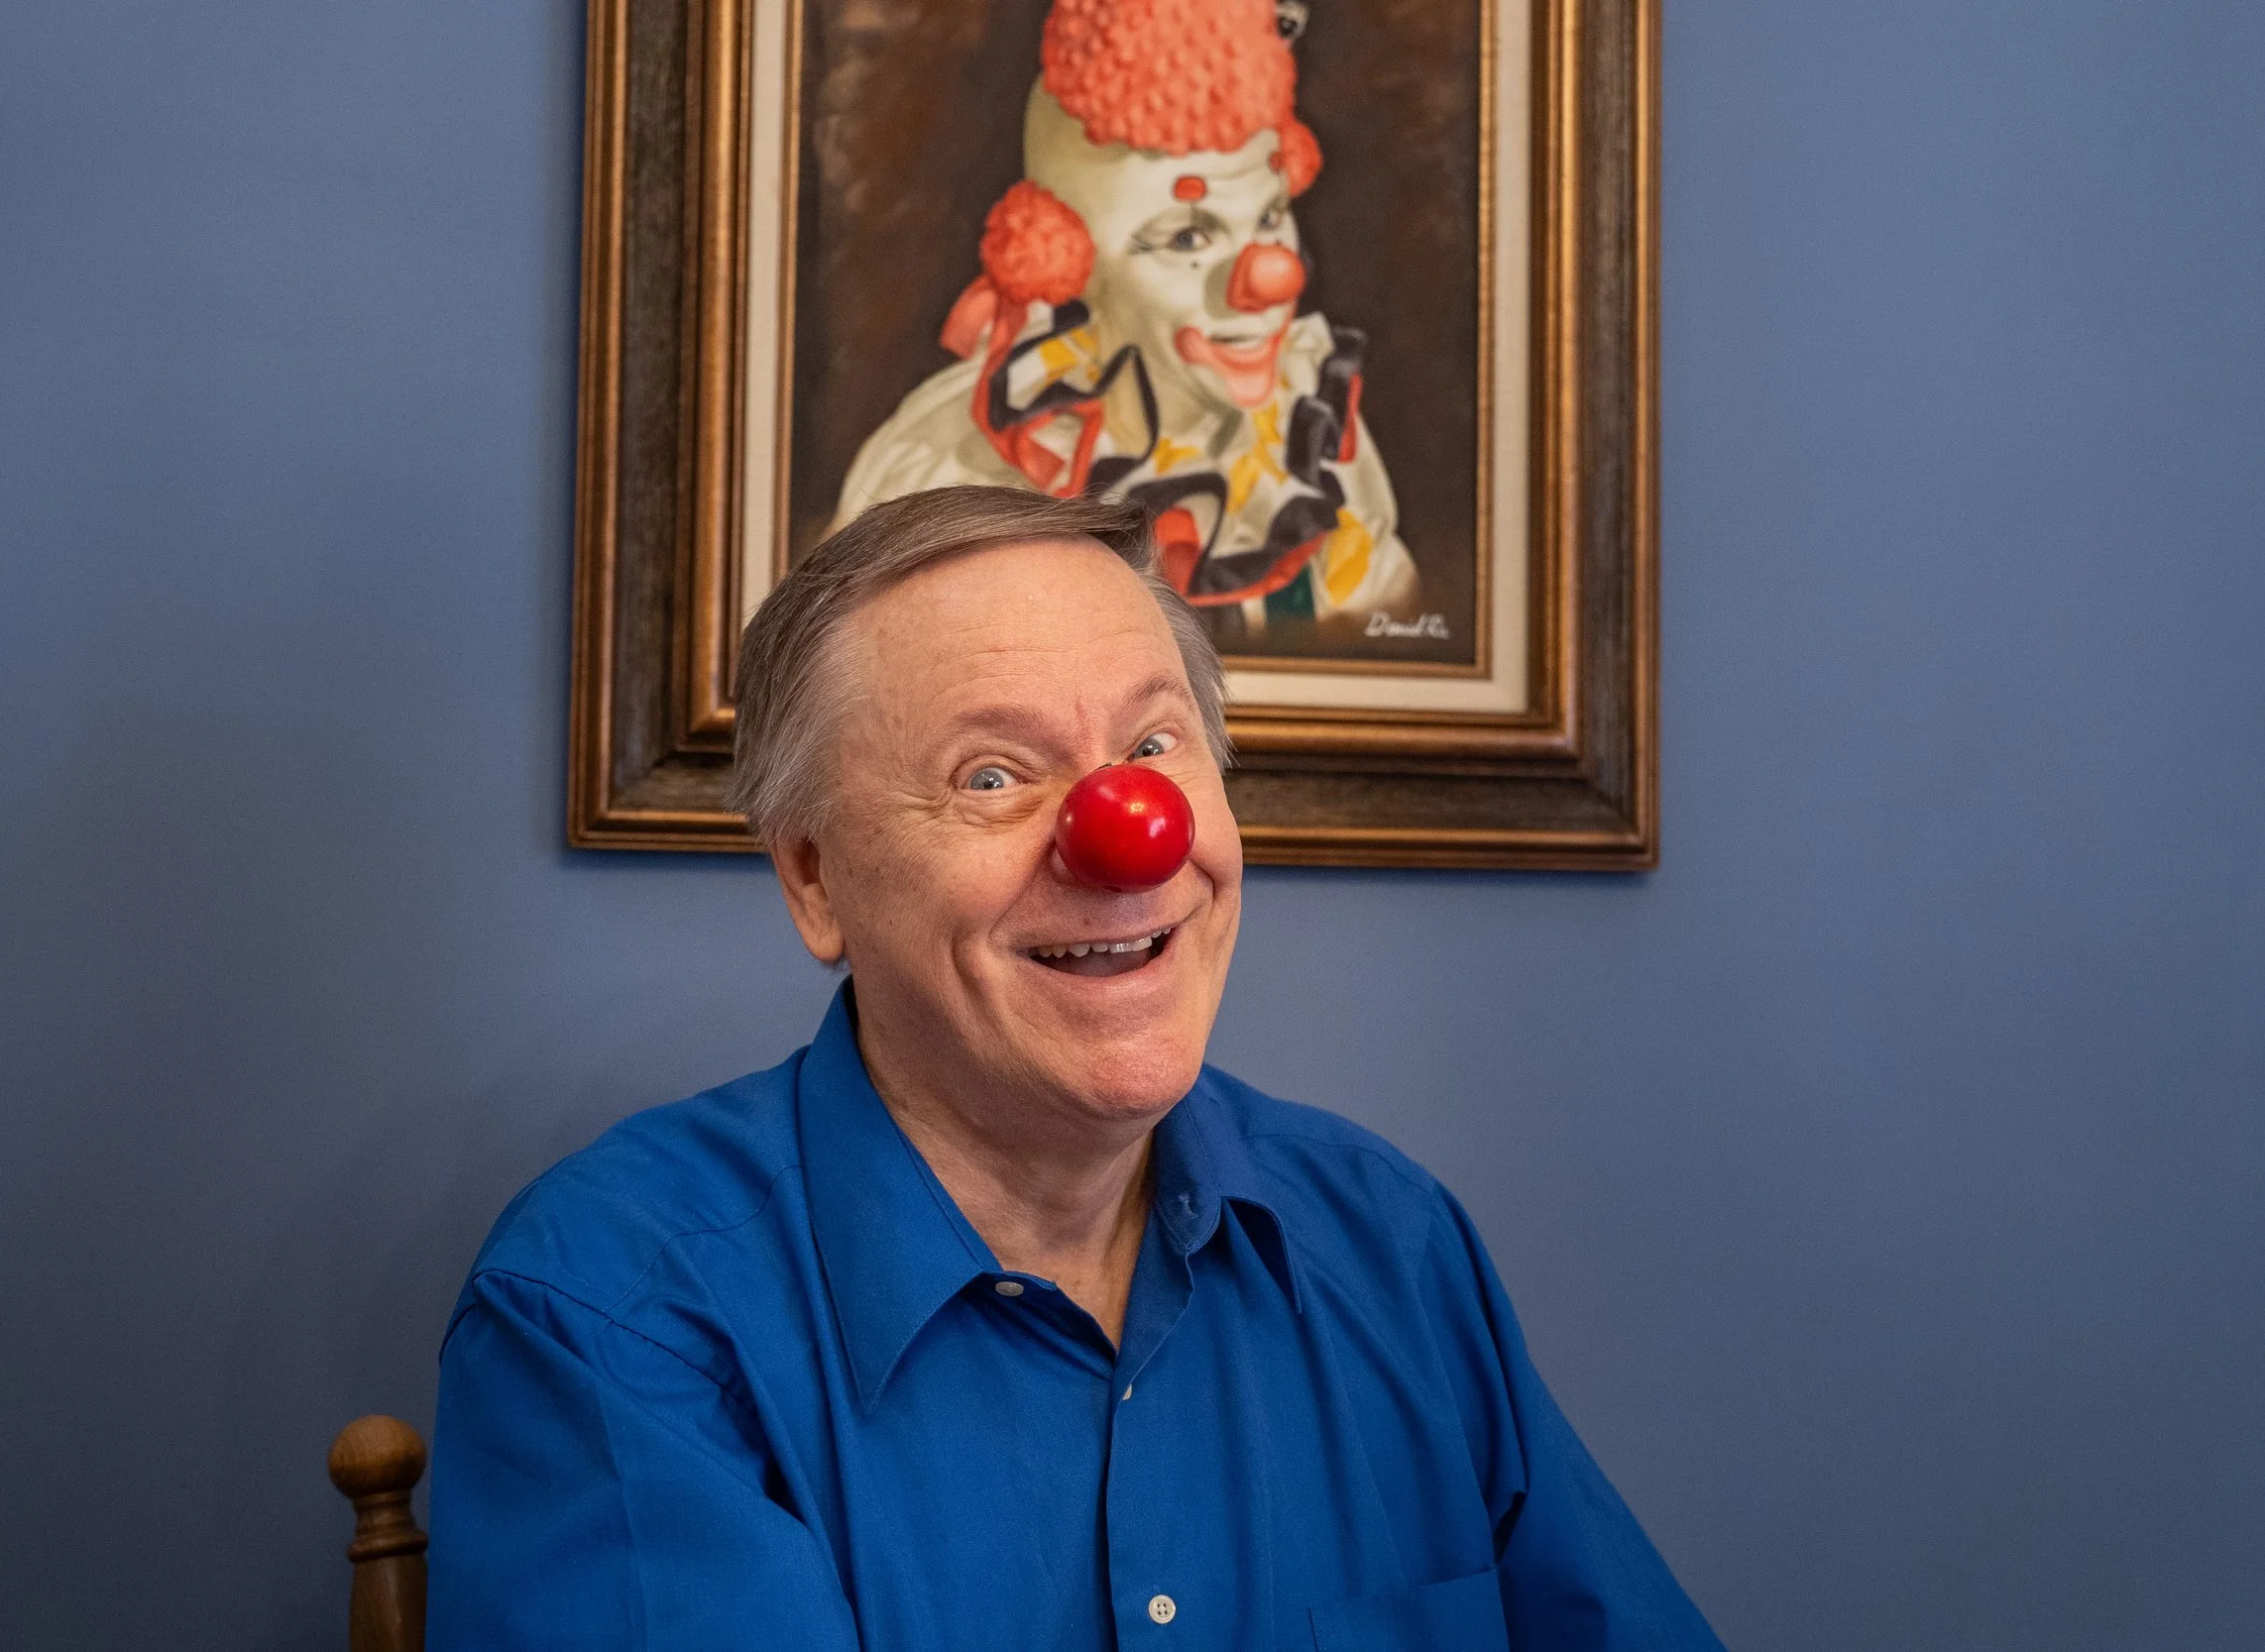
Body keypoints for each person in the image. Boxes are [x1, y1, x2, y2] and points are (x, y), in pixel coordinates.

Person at [428, 487, 1722, 1650]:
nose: (1128, 837)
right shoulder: (609, 1316)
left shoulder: (1388, 1242)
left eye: (1153, 747)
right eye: (991, 772)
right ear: (815, 878)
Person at [833, 0, 1419, 641]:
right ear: (1063, 259)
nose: (1268, 279)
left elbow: (1392, 645)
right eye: (1189, 239)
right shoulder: (946, 468)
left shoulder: (1318, 442)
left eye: (1271, 216)